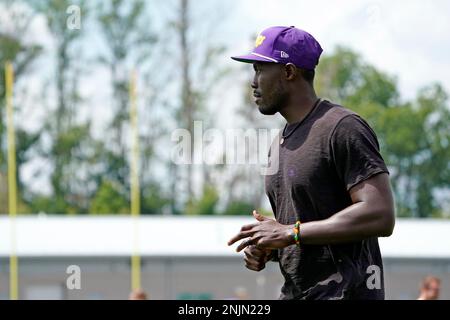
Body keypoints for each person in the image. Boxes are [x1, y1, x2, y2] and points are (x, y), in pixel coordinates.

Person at [227, 26, 395, 300]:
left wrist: (290, 233)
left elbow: (380, 214)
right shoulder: (280, 142)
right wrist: (272, 246)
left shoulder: (342, 127)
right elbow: (306, 232)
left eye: (260, 69)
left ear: (289, 72)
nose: (253, 81)